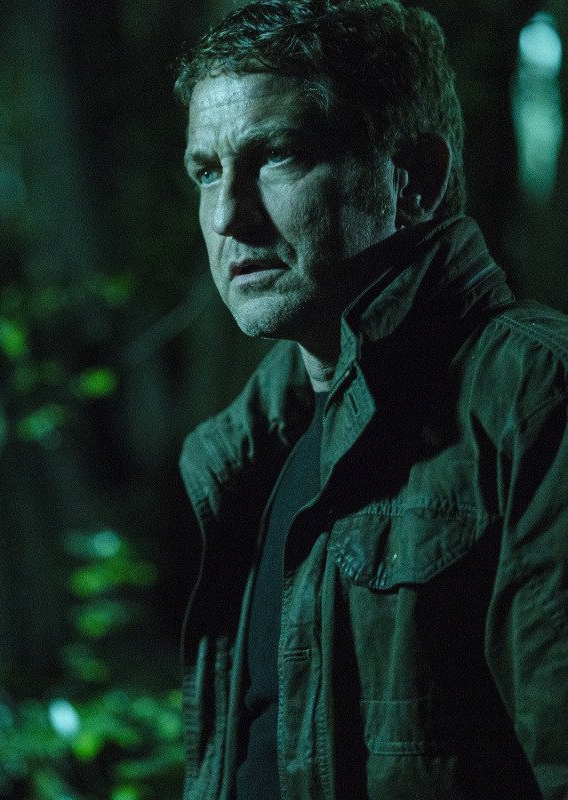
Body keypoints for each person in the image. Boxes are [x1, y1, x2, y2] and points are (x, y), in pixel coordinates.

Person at [173, 1, 568, 799]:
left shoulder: (531, 393)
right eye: (206, 172)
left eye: (276, 157)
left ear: (413, 177)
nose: (227, 216)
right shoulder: (247, 447)